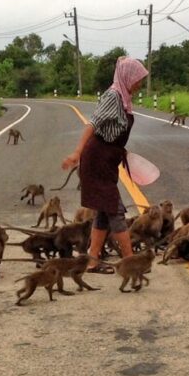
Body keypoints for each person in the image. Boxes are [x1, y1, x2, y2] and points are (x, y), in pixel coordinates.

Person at [62, 56, 148, 272]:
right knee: (116, 211)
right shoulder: (113, 96)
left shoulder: (124, 98)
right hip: (96, 159)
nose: (139, 84)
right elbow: (92, 124)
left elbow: (114, 131)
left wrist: (121, 150)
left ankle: (92, 260)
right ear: (128, 77)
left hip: (108, 160)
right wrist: (77, 153)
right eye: (138, 80)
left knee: (103, 211)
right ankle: (130, 261)